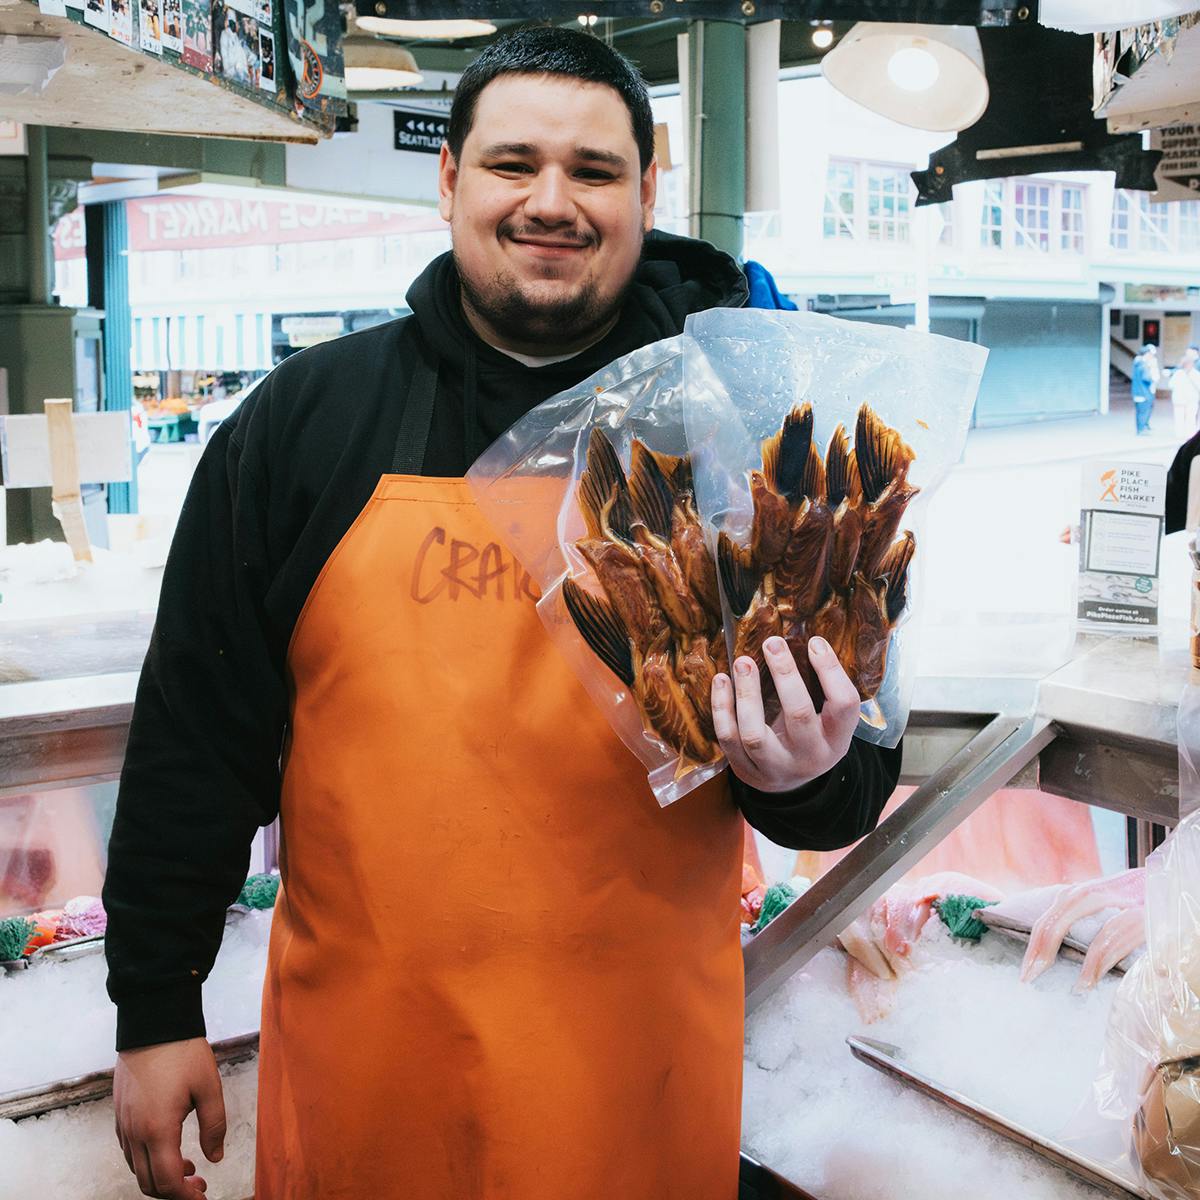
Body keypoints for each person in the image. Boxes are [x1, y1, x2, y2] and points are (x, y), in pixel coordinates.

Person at [104, 29, 900, 1200]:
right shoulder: (307, 422)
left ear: (647, 188)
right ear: (448, 180)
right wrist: (156, 1006)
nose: (551, 201)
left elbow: (846, 779)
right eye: (511, 162)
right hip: (368, 1076)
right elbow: (197, 736)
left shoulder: (750, 439)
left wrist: (801, 773)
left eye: (593, 170)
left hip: (633, 1092)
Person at [1170, 344, 1200, 441]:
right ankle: (1188, 435)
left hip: (1183, 399)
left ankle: (1182, 435)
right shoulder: (1194, 374)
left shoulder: (1179, 373)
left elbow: (1171, 385)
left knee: (1183, 417)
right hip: (1188, 399)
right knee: (1188, 418)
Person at [1132, 342, 1160, 436]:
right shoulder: (1143, 365)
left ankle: (1141, 428)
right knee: (1143, 411)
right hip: (1144, 392)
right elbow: (1147, 378)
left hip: (1137, 392)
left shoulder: (1137, 363)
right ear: (1147, 354)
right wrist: (1153, 378)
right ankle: (1141, 429)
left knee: (1140, 411)